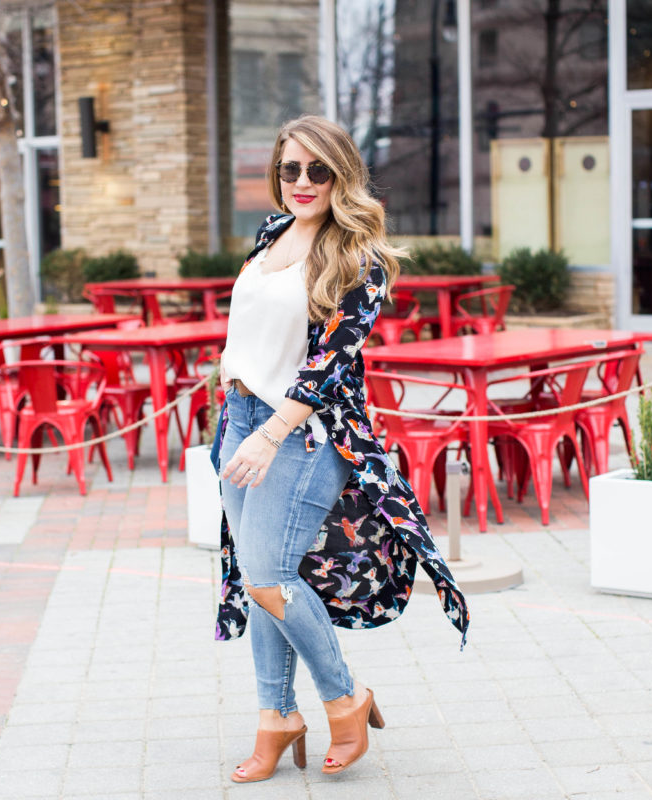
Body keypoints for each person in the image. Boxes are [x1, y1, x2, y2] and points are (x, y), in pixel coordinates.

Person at [213, 115, 469, 784]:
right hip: (237, 421)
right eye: (290, 168)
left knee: (269, 576)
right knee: (256, 579)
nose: (302, 182)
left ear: (341, 175)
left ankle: (345, 697)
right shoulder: (271, 234)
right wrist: (229, 371)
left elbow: (329, 364)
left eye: (317, 171)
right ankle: (276, 718)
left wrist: (271, 433)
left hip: (297, 433)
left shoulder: (362, 257)